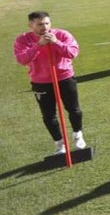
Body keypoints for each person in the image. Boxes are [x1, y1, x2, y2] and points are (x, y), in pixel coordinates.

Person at [13, 11, 87, 155]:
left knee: (74, 109)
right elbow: (22, 59)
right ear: (31, 25)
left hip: (64, 78)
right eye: (40, 24)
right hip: (40, 81)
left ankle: (77, 134)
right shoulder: (22, 40)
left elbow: (72, 53)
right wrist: (38, 45)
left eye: (47, 23)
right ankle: (59, 144)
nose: (44, 27)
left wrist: (56, 43)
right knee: (48, 115)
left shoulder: (62, 34)